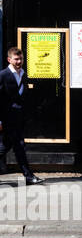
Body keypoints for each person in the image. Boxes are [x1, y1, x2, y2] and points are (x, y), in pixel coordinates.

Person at [0, 47, 42, 185]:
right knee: (19, 145)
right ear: (9, 59)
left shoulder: (24, 74)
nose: (19, 61)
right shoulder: (3, 75)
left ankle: (28, 176)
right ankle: (28, 176)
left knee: (6, 145)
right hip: (7, 118)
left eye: (21, 59)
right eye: (16, 59)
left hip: (19, 117)